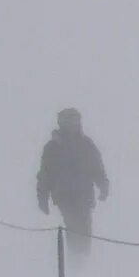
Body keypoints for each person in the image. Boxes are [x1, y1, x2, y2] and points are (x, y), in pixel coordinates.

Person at [36, 107, 109, 258]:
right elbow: (45, 175)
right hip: (65, 197)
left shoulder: (86, 144)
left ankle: (81, 263)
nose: (72, 124)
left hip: (84, 195)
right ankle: (76, 262)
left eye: (74, 120)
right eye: (68, 121)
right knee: (74, 228)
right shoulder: (52, 148)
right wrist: (42, 198)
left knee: (85, 230)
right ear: (61, 123)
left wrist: (103, 186)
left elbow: (97, 167)